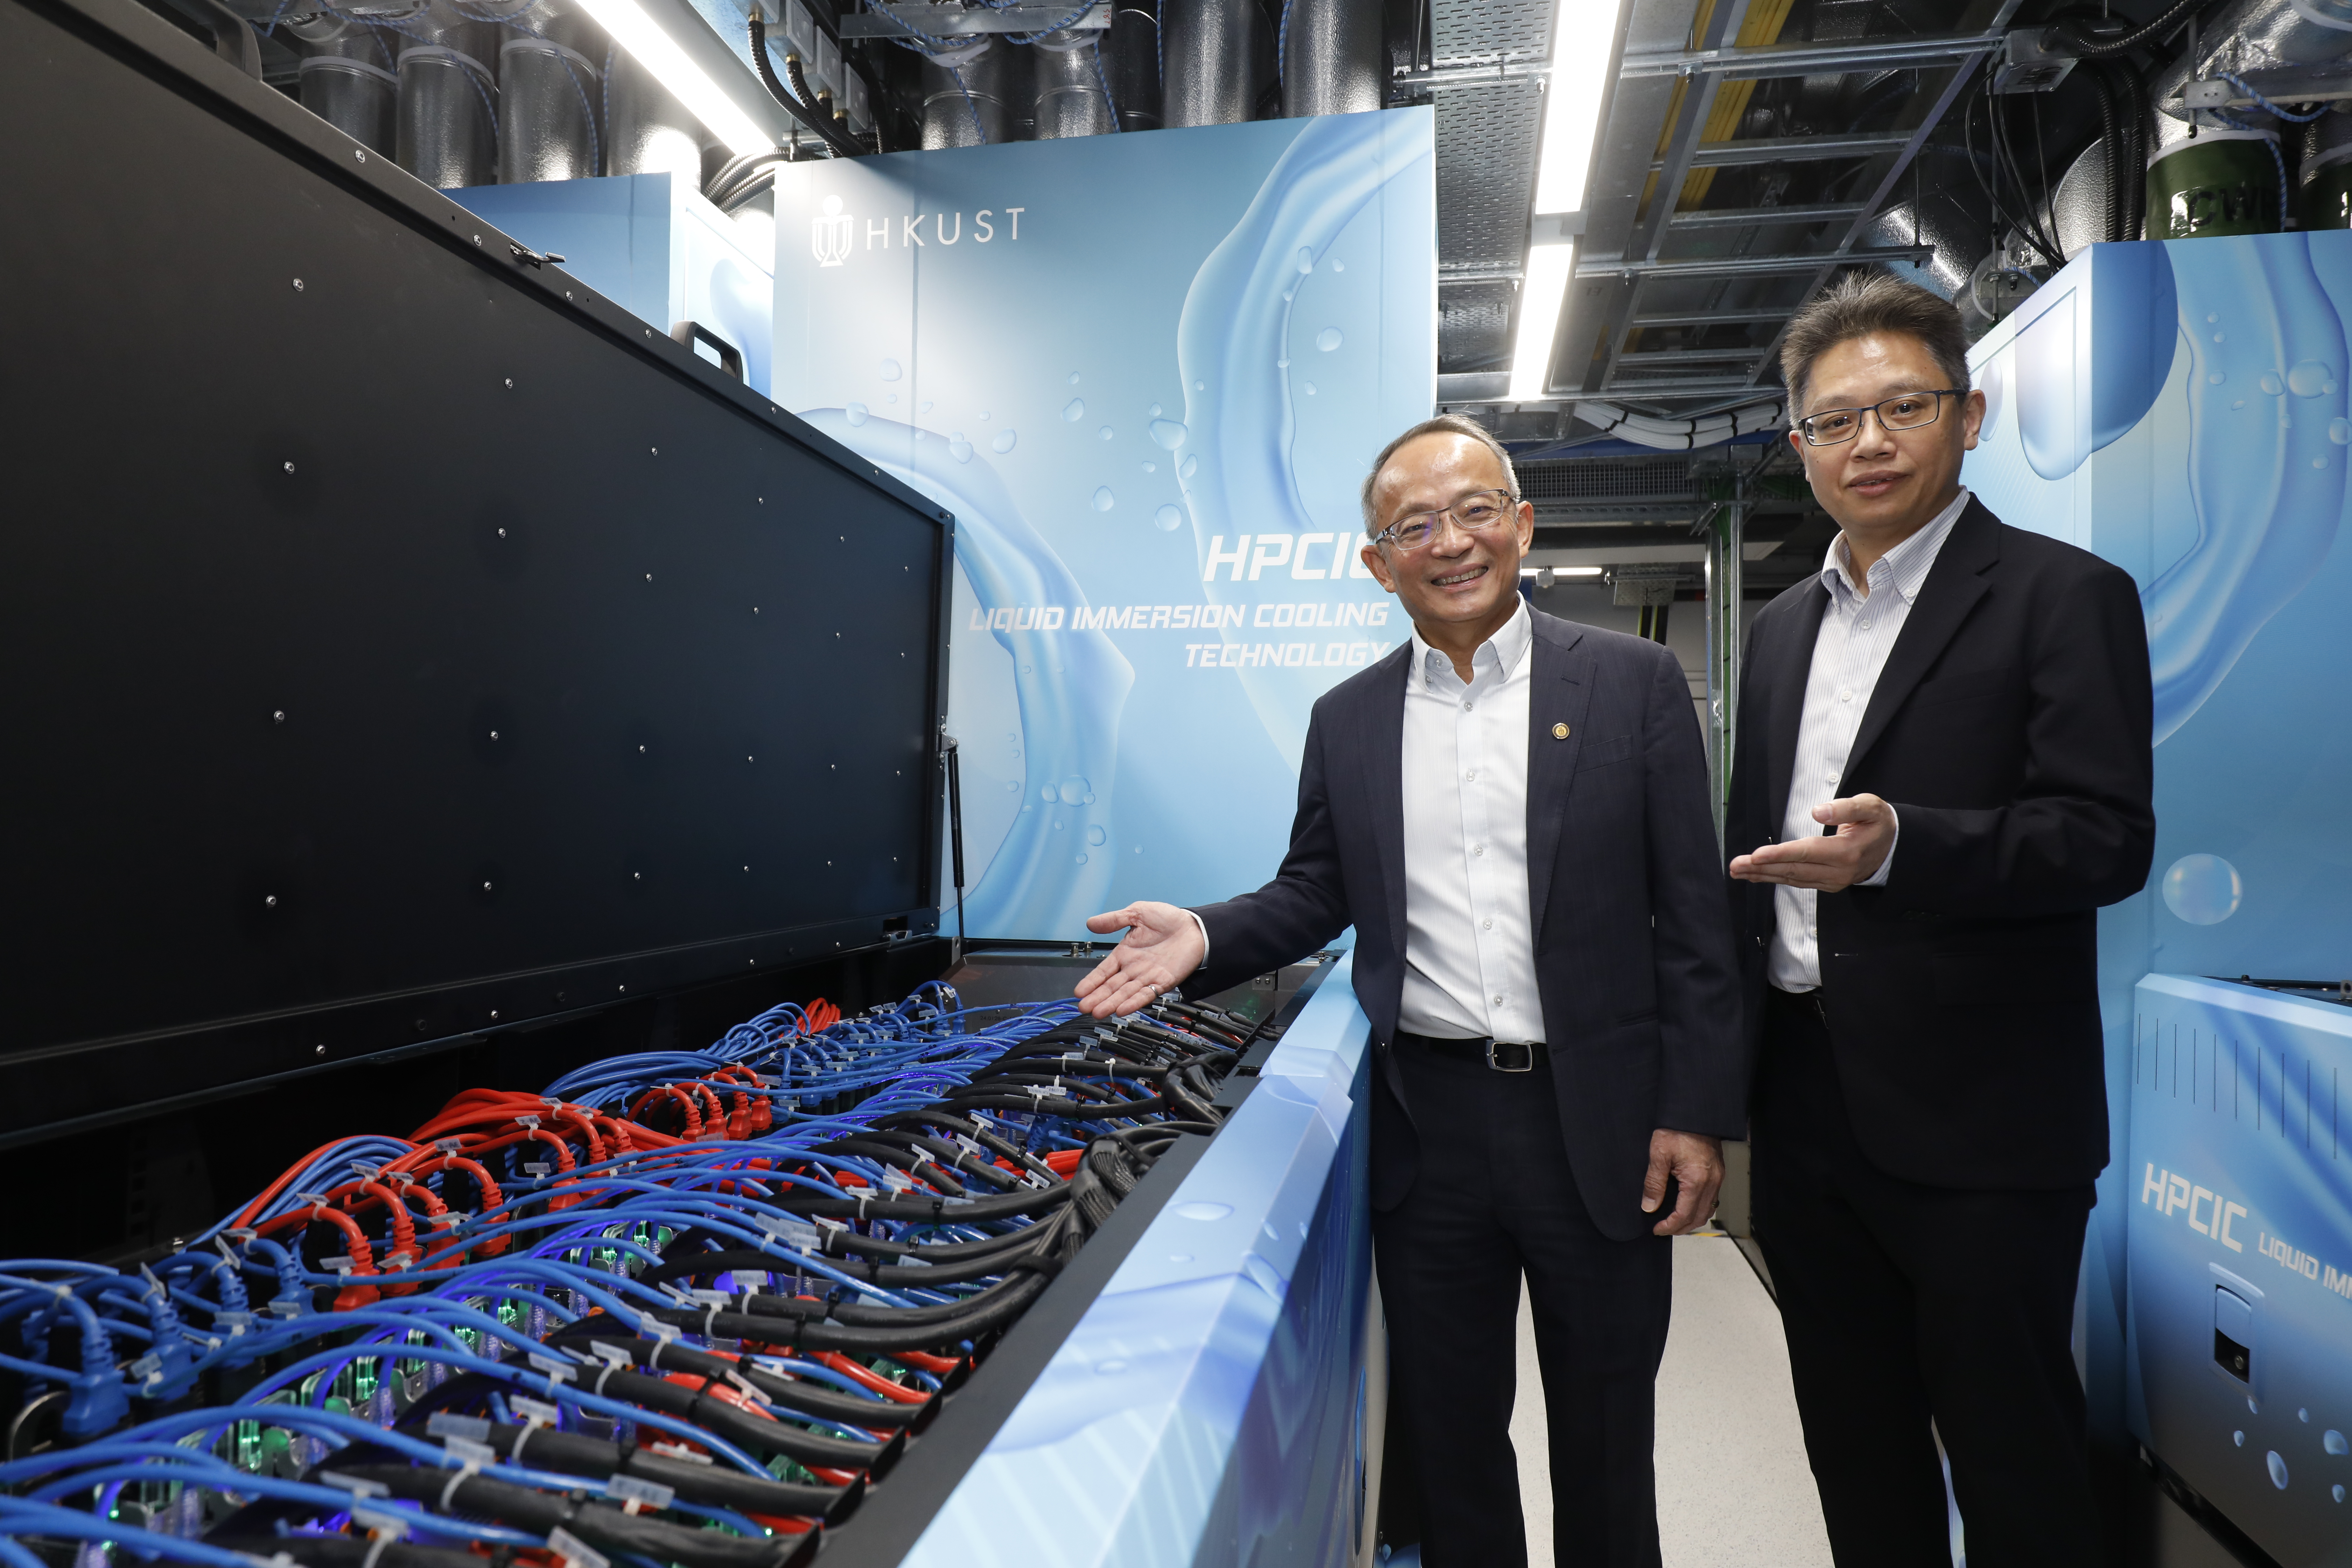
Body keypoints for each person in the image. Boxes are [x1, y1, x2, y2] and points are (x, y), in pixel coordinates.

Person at [1071, 415, 1744, 1568]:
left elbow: (1695, 918)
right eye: (1415, 524)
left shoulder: (1631, 684)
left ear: (1523, 526)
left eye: (1478, 510)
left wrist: (1696, 1110)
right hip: (1433, 1134)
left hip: (1605, 1119)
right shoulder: (1350, 719)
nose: (1453, 541)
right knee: (1451, 1441)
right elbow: (1318, 889)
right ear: (1379, 564)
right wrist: (1204, 933)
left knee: (1606, 1435)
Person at [1723, 273, 2155, 1566]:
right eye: (1834, 421)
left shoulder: (2061, 596)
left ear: (1967, 417)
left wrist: (1909, 846)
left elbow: (2106, 837)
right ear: (1798, 446)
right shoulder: (1781, 629)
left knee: (2014, 1456)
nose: (1869, 443)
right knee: (1854, 1450)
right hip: (1805, 1104)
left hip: (1984, 1123)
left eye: (1901, 408)